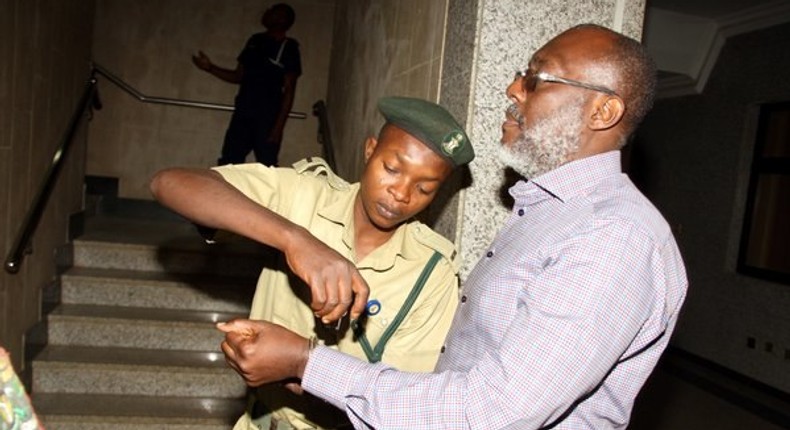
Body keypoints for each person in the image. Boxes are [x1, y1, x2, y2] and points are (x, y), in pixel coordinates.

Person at [217, 23, 689, 429]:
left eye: (535, 78)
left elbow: (496, 411)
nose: (512, 89)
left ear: (602, 111)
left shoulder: (613, 237)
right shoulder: (549, 216)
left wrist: (308, 361)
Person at [150, 97, 475, 429]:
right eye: (391, 169)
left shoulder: (432, 275)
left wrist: (303, 368)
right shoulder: (304, 197)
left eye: (424, 188)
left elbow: (402, 404)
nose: (402, 194)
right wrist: (294, 239)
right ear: (370, 150)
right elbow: (170, 184)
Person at [192, 3, 301, 166]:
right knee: (228, 163)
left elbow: (289, 90)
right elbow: (238, 76)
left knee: (267, 166)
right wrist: (210, 68)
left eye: (272, 12)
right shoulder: (255, 40)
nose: (266, 12)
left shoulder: (289, 47)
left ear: (282, 19)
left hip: (268, 116)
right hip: (243, 111)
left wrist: (278, 128)